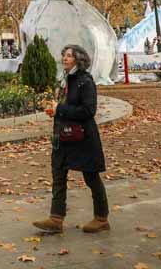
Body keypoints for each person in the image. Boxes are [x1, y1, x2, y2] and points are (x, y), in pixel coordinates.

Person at [33, 44, 109, 235]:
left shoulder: (85, 81)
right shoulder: (64, 79)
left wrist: (60, 109)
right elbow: (64, 106)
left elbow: (88, 110)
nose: (65, 58)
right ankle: (55, 219)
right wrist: (54, 109)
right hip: (63, 136)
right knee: (58, 175)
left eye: (69, 55)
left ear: (78, 60)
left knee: (91, 177)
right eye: (64, 55)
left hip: (83, 138)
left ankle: (101, 218)